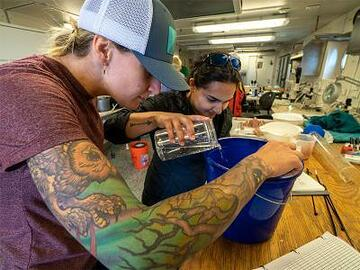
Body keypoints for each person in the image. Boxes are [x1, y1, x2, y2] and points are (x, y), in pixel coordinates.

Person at [0, 0, 303, 269]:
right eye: (148, 72)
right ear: (104, 49)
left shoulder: (78, 92)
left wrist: (155, 116)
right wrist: (259, 166)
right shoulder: (30, 94)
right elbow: (132, 249)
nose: (156, 88)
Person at [104, 52, 241, 206]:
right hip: (161, 195)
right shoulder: (167, 104)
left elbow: (220, 153)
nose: (219, 110)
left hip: (196, 193)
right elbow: (112, 128)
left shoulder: (223, 116)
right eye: (211, 99)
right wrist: (156, 118)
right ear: (193, 85)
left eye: (226, 102)